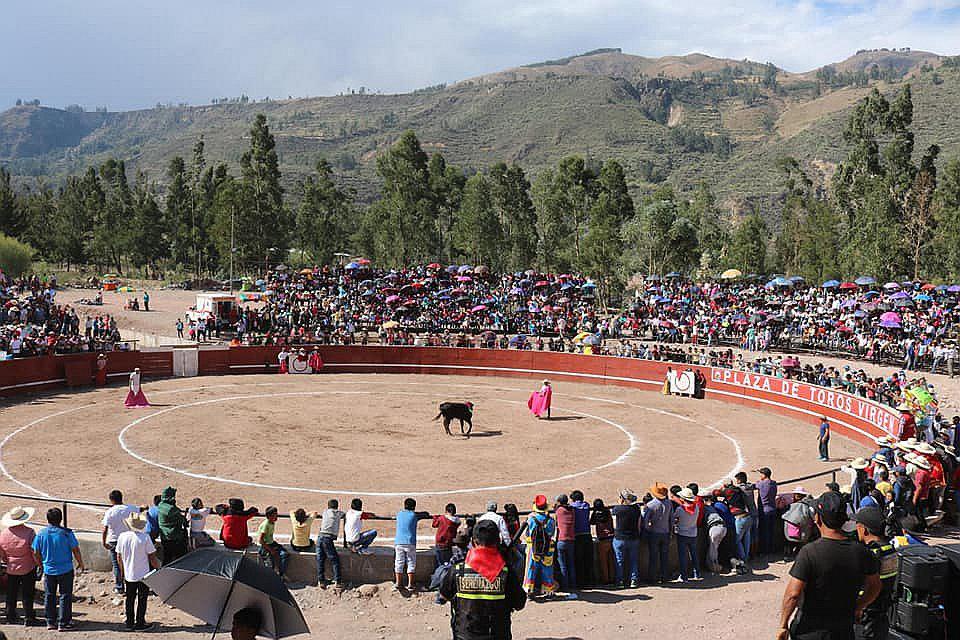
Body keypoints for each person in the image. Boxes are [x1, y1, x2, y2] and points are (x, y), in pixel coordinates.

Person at [777, 492, 881, 640]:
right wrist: (859, 606)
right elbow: (875, 586)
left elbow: (793, 594)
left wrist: (783, 624)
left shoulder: (809, 552)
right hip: (843, 630)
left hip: (809, 630)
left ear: (818, 519)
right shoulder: (862, 552)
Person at [439, 520, 526, 640]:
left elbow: (443, 596)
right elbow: (519, 603)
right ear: (497, 541)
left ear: (474, 541)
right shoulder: (506, 572)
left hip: (464, 635)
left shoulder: (458, 570)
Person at [31, 507, 84, 632]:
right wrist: (81, 563)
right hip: (65, 569)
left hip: (49, 569)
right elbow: (75, 549)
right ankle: (64, 622)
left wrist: (40, 564)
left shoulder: (41, 534)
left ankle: (51, 621)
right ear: (60, 519)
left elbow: (35, 552)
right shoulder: (67, 533)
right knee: (65, 595)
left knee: (49, 595)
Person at [853, 507, 898, 640]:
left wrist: (858, 607)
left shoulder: (870, 554)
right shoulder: (890, 549)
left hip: (866, 618)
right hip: (882, 616)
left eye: (857, 525)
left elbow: (868, 587)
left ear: (864, 529)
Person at [115, 512, 160, 631]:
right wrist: (158, 568)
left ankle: (129, 623)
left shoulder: (122, 537)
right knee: (142, 599)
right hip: (143, 575)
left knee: (129, 599)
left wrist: (122, 571)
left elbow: (119, 557)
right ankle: (140, 622)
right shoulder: (145, 538)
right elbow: (152, 557)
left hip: (129, 574)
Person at [0, 506, 39, 625]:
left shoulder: (4, 534)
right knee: (28, 593)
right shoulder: (30, 532)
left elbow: (2, 552)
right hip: (28, 566)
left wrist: (7, 561)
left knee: (11, 592)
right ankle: (29, 617)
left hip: (12, 567)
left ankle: (10, 615)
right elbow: (34, 551)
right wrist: (37, 563)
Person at [101, 489, 139, 594]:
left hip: (114, 540)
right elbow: (140, 511)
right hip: (128, 540)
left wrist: (104, 542)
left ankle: (119, 586)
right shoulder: (130, 508)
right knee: (129, 562)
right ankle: (130, 585)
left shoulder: (110, 511)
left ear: (111, 500)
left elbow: (105, 529)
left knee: (117, 565)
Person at [523, 495, 557, 597]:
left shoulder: (530, 519)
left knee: (531, 569)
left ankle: (529, 590)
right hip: (548, 548)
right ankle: (548, 591)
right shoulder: (551, 520)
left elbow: (526, 533)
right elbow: (552, 533)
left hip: (533, 547)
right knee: (547, 570)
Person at [394, 498, 430, 591]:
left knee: (399, 562)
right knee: (411, 562)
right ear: (414, 507)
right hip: (410, 542)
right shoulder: (414, 515)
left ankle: (398, 583)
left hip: (399, 542)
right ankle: (410, 584)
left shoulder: (399, 514)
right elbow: (426, 514)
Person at [611, 490, 641, 588]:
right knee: (634, 560)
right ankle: (634, 580)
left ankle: (620, 581)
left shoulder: (617, 509)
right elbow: (639, 525)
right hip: (633, 537)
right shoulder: (636, 509)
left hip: (620, 538)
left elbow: (614, 525)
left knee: (619, 560)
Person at [644, 482, 672, 584]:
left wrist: (648, 529)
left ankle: (653, 578)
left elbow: (645, 521)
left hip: (655, 533)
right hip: (666, 532)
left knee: (653, 557)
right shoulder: (669, 503)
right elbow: (671, 519)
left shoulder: (651, 505)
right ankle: (665, 577)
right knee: (664, 557)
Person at [671, 486, 701, 582]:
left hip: (682, 534)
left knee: (683, 556)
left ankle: (684, 576)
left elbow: (673, 519)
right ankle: (697, 573)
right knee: (694, 554)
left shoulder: (680, 509)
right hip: (693, 534)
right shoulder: (696, 507)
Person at [157, 486, 189, 564]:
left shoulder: (161, 505)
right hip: (173, 536)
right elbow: (181, 518)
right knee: (179, 555)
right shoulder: (171, 509)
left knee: (167, 555)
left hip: (164, 536)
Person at [317, 499, 344, 587]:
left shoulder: (325, 512)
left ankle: (321, 580)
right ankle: (338, 581)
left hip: (320, 537)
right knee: (335, 560)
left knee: (321, 560)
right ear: (337, 507)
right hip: (327, 539)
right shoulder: (338, 513)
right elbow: (343, 514)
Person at [553, 494, 576, 593]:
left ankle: (566, 586)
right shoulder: (572, 510)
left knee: (563, 565)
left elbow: (555, 523)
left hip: (562, 540)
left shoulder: (559, 511)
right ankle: (574, 585)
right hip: (571, 539)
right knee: (571, 563)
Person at [569, 490, 593, 588]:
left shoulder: (572, 507)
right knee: (588, 559)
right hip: (587, 535)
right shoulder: (586, 505)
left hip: (577, 536)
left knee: (579, 560)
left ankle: (581, 583)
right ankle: (590, 581)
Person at [590, 498, 616, 586]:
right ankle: (612, 579)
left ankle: (606, 580)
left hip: (602, 540)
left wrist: (594, 512)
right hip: (611, 538)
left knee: (603, 562)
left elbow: (591, 522)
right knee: (611, 560)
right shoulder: (607, 512)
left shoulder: (596, 514)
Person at [258, 507, 290, 578]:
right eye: (274, 515)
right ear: (269, 516)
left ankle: (281, 575)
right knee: (270, 566)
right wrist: (271, 550)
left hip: (271, 543)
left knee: (285, 554)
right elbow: (260, 540)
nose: (276, 517)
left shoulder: (271, 522)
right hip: (265, 547)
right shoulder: (265, 525)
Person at [756, 467, 779, 556]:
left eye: (761, 474)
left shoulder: (761, 484)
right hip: (772, 509)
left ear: (764, 475)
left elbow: (755, 485)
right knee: (771, 530)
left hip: (764, 511)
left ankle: (764, 551)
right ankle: (771, 549)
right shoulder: (774, 483)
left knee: (764, 531)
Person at [432, 503, 461, 567]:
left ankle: (441, 575)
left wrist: (435, 517)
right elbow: (458, 522)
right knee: (448, 563)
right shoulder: (457, 521)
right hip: (449, 544)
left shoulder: (442, 518)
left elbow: (434, 525)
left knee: (440, 564)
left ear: (446, 511)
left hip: (440, 543)